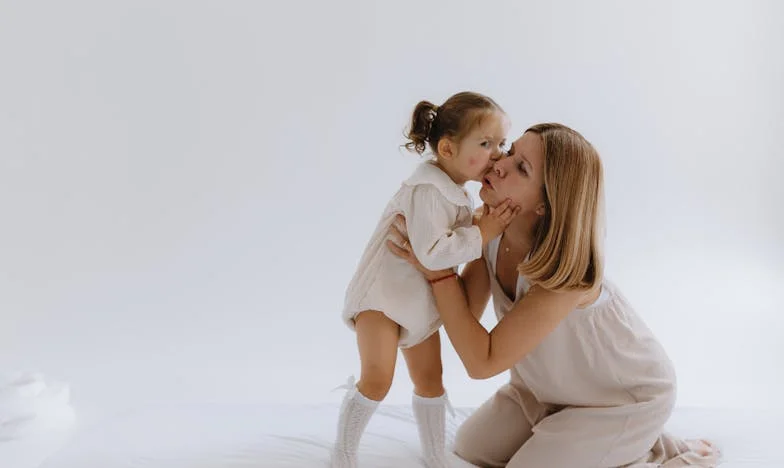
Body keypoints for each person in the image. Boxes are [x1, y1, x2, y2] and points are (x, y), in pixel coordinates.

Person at [387, 123, 722, 467]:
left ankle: (650, 444)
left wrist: (439, 274)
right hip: (543, 389)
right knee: (472, 447)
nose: (499, 163)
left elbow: (481, 362)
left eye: (522, 168)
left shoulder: (566, 278)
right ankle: (607, 439)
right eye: (511, 151)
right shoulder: (486, 232)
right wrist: (436, 253)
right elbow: (464, 316)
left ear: (546, 204)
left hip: (621, 399)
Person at [330, 91, 518, 468]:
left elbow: (445, 252)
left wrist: (480, 225)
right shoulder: (428, 190)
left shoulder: (455, 193)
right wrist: (483, 233)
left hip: (416, 303)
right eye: (485, 144)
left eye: (501, 143)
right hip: (382, 299)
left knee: (431, 379)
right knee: (378, 378)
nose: (497, 154)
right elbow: (432, 253)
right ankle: (343, 453)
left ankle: (434, 455)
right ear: (447, 149)